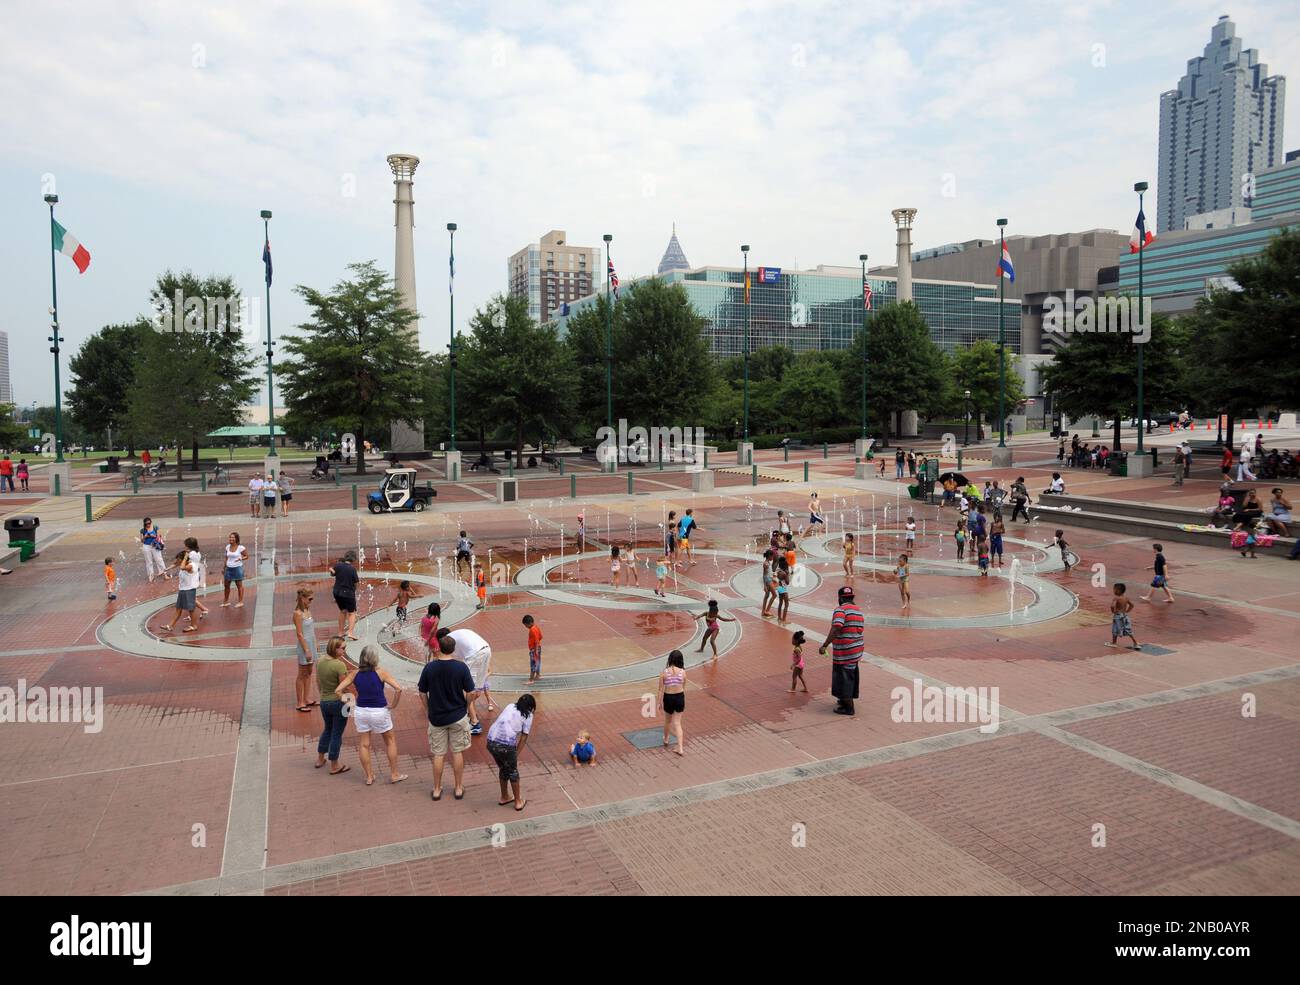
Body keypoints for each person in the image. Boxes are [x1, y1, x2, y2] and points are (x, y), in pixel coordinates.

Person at [334, 645, 408, 786]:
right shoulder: (381, 673)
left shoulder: (354, 674)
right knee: (390, 742)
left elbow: (338, 690)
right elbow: (398, 689)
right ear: (375, 658)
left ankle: (369, 776)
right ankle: (394, 774)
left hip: (361, 711)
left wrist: (350, 701)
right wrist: (393, 705)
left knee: (364, 745)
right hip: (379, 711)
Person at [420, 634, 479, 801]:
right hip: (457, 716)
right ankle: (458, 788)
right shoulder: (461, 668)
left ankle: (437, 789)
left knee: (439, 754)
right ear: (453, 649)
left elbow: (422, 692)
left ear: (438, 647)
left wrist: (427, 710)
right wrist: (467, 706)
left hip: (437, 717)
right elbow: (472, 692)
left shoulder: (429, 668)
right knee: (457, 752)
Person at [819, 586, 864, 715]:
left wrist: (825, 645)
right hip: (855, 651)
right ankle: (844, 700)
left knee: (845, 679)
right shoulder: (858, 610)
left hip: (845, 652)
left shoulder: (840, 610)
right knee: (850, 676)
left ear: (840, 598)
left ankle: (849, 708)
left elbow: (836, 628)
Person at [438, 626, 493, 734]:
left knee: (466, 690)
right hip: (487, 649)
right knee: (476, 690)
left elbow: (452, 662)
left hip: (475, 655)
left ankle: (474, 722)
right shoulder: (458, 634)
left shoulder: (450, 641)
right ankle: (468, 711)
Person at [486, 694, 536, 811]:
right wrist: (516, 754)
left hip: (491, 741)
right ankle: (518, 801)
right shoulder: (528, 715)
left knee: (503, 768)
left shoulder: (510, 706)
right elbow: (524, 738)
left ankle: (504, 797)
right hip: (506, 744)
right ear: (531, 706)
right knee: (513, 772)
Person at [314, 636, 352, 776]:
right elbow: (344, 686)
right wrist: (351, 700)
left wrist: (323, 694)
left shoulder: (320, 661)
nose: (344, 650)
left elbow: (317, 681)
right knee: (337, 733)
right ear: (335, 649)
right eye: (343, 648)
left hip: (324, 702)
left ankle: (320, 758)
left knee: (327, 729)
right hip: (338, 703)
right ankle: (334, 765)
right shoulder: (339, 665)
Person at [160, 550, 199, 633]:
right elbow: (175, 564)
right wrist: (164, 570)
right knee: (178, 609)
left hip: (189, 590)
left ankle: (194, 625)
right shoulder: (183, 563)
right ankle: (170, 626)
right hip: (183, 590)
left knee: (191, 609)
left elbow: (181, 567)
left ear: (183, 559)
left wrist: (185, 557)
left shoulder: (190, 565)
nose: (177, 561)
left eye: (178, 559)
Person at [293, 587, 318, 712]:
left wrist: (315, 643)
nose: (311, 601)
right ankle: (299, 702)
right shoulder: (297, 614)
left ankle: (307, 698)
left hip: (311, 644)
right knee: (302, 674)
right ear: (302, 598)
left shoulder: (308, 610)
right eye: (310, 599)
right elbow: (299, 634)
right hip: (304, 646)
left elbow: (311, 630)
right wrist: (306, 649)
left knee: (309, 672)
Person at [658, 650, 687, 755]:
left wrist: (659, 702)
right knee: (677, 723)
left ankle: (666, 739)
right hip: (679, 697)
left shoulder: (664, 673)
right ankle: (680, 748)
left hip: (668, 697)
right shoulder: (683, 672)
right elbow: (683, 686)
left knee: (667, 721)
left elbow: (660, 689)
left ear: (670, 659)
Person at [329, 551, 360, 640]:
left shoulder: (338, 565)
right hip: (348, 593)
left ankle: (340, 632)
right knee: (352, 612)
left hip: (337, 592)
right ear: (353, 559)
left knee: (343, 611)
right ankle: (350, 632)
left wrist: (331, 570)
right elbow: (356, 583)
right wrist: (354, 590)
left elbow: (333, 573)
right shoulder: (352, 569)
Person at [1106, 583, 1141, 650]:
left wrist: (1113, 611)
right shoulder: (1126, 598)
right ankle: (1135, 643)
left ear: (1118, 591)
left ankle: (1114, 643)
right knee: (1128, 629)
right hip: (1125, 616)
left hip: (1118, 616)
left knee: (1115, 629)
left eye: (1114, 589)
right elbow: (1132, 605)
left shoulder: (1116, 598)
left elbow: (1112, 606)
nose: (1113, 591)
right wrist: (1127, 611)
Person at [140, 517, 169, 584]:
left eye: (149, 523)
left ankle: (164, 574)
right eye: (146, 524)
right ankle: (151, 576)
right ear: (144, 524)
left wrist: (155, 536)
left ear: (151, 522)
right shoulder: (142, 530)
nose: (148, 525)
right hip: (146, 546)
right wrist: (145, 536)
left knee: (159, 560)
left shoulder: (155, 527)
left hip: (155, 545)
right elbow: (142, 541)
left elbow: (159, 536)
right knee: (149, 561)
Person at [222, 532, 248, 607]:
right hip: (228, 568)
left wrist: (241, 558)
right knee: (226, 585)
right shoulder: (227, 547)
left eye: (233, 537)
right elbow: (226, 558)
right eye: (230, 537)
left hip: (237, 568)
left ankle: (240, 601)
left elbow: (246, 556)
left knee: (239, 585)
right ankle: (226, 601)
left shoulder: (241, 548)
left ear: (236, 539)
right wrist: (224, 568)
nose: (231, 539)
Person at [523, 614, 543, 681]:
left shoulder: (532, 630)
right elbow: (540, 637)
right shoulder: (536, 627)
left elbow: (537, 641)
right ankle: (538, 675)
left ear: (530, 623)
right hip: (538, 648)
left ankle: (531, 679)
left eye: (526, 625)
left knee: (533, 664)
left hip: (534, 649)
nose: (526, 627)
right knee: (537, 662)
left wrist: (535, 651)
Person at [775, 556, 791, 622]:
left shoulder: (778, 571)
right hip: (784, 589)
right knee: (786, 604)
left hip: (779, 587)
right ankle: (784, 619)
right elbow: (787, 582)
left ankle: (779, 617)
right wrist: (788, 575)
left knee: (780, 603)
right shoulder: (784, 573)